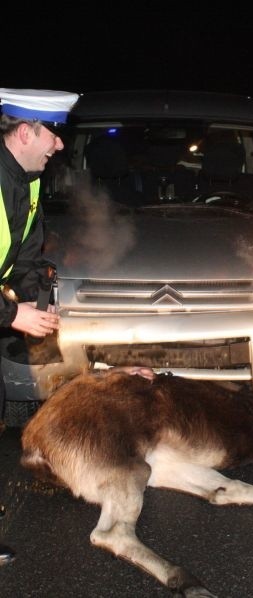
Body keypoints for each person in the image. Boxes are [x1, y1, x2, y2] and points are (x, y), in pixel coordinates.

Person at [0, 88, 79, 567]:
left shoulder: (26, 181)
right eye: (54, 134)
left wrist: (34, 296)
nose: (60, 146)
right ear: (26, 131)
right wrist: (12, 317)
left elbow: (24, 256)